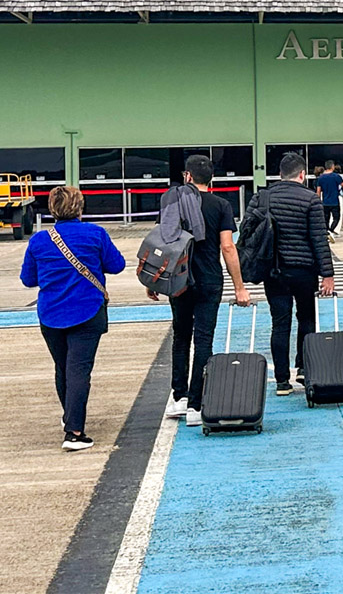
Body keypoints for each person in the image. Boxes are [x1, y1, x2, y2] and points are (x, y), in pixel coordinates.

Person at [148, 155, 251, 428]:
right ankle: (196, 404)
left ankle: (178, 398)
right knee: (204, 339)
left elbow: (162, 242)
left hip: (178, 281)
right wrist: (239, 287)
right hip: (208, 280)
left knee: (181, 336)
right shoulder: (221, 205)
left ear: (188, 177)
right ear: (211, 179)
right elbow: (228, 247)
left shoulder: (173, 202)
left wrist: (152, 281)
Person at [20, 186, 126, 451]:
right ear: (80, 207)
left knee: (62, 367)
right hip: (87, 311)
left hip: (50, 313)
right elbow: (117, 265)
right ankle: (74, 432)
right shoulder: (95, 234)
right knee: (79, 369)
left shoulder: (39, 241)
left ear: (52, 209)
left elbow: (28, 279)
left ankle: (70, 415)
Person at [263, 151, 335, 395]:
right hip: (304, 271)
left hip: (274, 270)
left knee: (279, 324)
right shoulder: (310, 200)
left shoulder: (264, 198)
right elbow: (319, 239)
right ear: (302, 174)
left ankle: (282, 380)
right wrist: (328, 274)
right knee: (306, 318)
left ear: (280, 174)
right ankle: (304, 368)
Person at [316, 159, 343, 242]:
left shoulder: (321, 178)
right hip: (334, 201)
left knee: (326, 219)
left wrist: (317, 201)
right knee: (337, 218)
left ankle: (327, 233)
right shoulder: (336, 176)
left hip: (325, 202)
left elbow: (318, 191)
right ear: (332, 166)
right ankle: (330, 231)